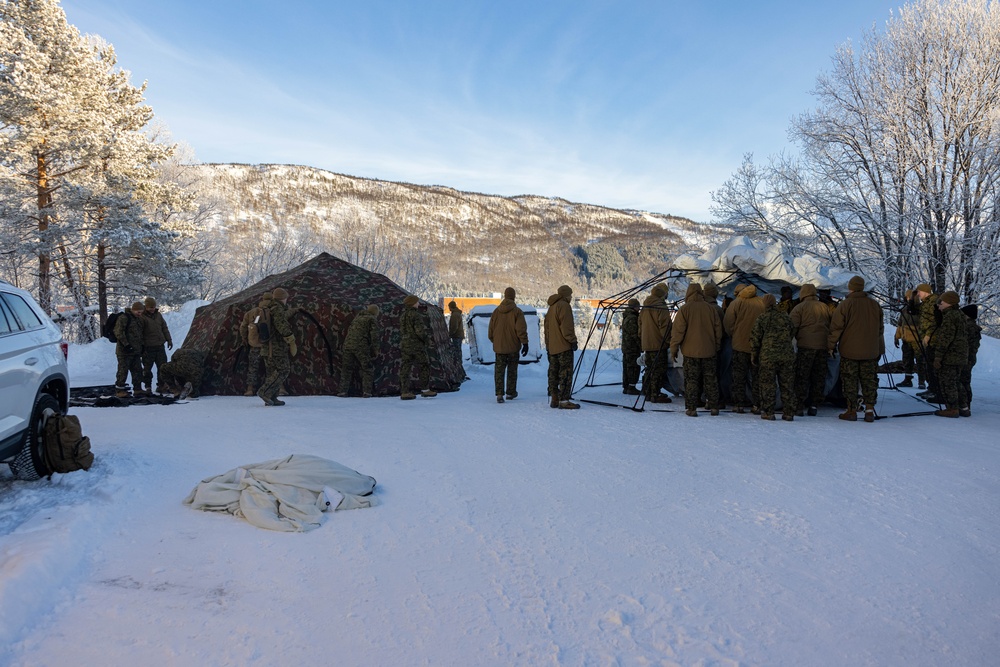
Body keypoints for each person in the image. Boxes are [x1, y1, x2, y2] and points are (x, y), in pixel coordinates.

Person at [828, 276, 884, 422]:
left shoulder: (845, 305)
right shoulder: (875, 305)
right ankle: (869, 410)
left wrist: (831, 345)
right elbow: (880, 329)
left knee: (850, 381)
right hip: (871, 351)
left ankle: (851, 410)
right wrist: (877, 348)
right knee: (869, 381)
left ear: (850, 287)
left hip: (850, 351)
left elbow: (836, 328)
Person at [669, 283, 722, 417]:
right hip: (709, 351)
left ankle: (692, 408)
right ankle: (714, 406)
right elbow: (718, 331)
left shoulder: (685, 309)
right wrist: (716, 346)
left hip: (690, 353)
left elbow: (678, 332)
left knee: (691, 380)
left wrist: (674, 349)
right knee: (711, 379)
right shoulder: (711, 309)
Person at [750, 294, 796, 421]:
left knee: (767, 384)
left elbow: (755, 338)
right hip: (786, 356)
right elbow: (793, 331)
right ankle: (789, 412)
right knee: (787, 385)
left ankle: (768, 412)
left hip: (768, 357)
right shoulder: (785, 317)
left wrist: (754, 354)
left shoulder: (762, 318)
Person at [790, 283, 831, 416]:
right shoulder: (824, 307)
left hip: (805, 347)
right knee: (818, 377)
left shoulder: (799, 308)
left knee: (802, 376)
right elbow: (831, 325)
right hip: (822, 347)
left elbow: (792, 327)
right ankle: (814, 405)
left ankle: (799, 406)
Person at [724, 283, 766, 413]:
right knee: (757, 377)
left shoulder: (736, 303)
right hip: (757, 347)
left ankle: (738, 404)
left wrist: (735, 335)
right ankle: (757, 404)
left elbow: (728, 323)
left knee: (738, 377)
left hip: (739, 345)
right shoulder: (761, 302)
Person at [931, 291, 969, 418]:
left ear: (948, 303)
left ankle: (952, 408)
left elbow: (945, 338)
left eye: (941, 302)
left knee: (948, 382)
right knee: (957, 381)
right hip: (960, 355)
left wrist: (938, 357)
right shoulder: (960, 315)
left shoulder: (950, 316)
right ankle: (964, 407)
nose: (939, 304)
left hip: (950, 356)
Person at [257, 287, 296, 406]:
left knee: (272, 372)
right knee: (283, 370)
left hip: (266, 347)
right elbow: (282, 327)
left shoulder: (266, 308)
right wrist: (291, 340)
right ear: (282, 298)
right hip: (276, 347)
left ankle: (272, 398)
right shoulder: (277, 309)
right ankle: (264, 392)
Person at [488, 287, 528, 403]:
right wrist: (525, 343)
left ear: (504, 296)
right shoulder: (517, 312)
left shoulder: (496, 312)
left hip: (499, 349)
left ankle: (499, 394)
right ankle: (510, 392)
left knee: (499, 371)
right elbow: (521, 329)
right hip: (513, 348)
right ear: (513, 296)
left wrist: (496, 342)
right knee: (512, 370)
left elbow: (490, 332)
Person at [544, 284, 578, 409]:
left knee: (553, 372)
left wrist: (548, 345)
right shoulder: (564, 306)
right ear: (566, 295)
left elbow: (546, 329)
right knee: (565, 373)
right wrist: (572, 341)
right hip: (564, 346)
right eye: (570, 294)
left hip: (552, 347)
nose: (571, 297)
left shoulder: (551, 308)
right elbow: (566, 327)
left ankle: (554, 397)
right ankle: (564, 401)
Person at [639, 283, 672, 404]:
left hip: (647, 343)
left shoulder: (645, 306)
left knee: (649, 368)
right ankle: (655, 393)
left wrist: (642, 340)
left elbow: (640, 325)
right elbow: (665, 326)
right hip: (658, 343)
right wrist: (669, 341)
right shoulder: (660, 306)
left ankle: (648, 392)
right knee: (659, 369)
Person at [400, 295, 436, 400]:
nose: (418, 304)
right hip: (416, 345)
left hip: (405, 344)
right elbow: (419, 331)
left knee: (405, 367)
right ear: (412, 303)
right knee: (424, 365)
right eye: (417, 302)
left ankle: (405, 391)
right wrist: (427, 340)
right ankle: (425, 390)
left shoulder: (403, 315)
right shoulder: (415, 315)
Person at [339, 304, 379, 398]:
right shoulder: (372, 319)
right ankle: (367, 392)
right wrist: (376, 349)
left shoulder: (357, 318)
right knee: (367, 368)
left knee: (346, 369)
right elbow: (375, 336)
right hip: (361, 346)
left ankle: (342, 391)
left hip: (347, 345)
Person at [239, 292, 271, 396]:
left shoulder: (251, 312)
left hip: (254, 345)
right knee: (273, 367)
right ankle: (279, 388)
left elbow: (243, 328)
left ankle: (250, 389)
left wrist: (245, 339)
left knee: (253, 367)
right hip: (270, 345)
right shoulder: (275, 311)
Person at [140, 297, 173, 394]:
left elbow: (164, 328)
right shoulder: (142, 317)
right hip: (148, 347)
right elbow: (139, 333)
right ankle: (148, 387)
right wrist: (141, 346)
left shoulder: (158, 315)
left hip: (159, 346)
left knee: (162, 368)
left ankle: (161, 385)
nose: (152, 309)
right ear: (146, 307)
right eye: (150, 307)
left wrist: (169, 340)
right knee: (147, 369)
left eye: (153, 307)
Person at [113, 302, 146, 398]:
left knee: (138, 370)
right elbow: (118, 332)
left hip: (136, 351)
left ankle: (138, 389)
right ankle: (119, 390)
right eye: (138, 312)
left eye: (141, 312)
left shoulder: (138, 320)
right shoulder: (124, 318)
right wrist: (126, 345)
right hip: (124, 351)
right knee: (123, 371)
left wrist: (142, 346)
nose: (139, 314)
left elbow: (140, 334)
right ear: (133, 309)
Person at [915, 283, 941, 400]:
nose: (918, 294)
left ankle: (936, 390)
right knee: (928, 365)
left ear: (925, 291)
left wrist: (928, 335)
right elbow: (914, 311)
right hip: (927, 338)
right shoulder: (924, 303)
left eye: (919, 291)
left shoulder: (933, 302)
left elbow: (934, 321)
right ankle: (931, 388)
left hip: (933, 339)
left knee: (932, 366)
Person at [893, 290, 922, 388]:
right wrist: (896, 337)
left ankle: (922, 382)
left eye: (908, 298)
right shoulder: (905, 309)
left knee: (920, 361)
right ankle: (907, 379)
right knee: (907, 360)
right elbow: (900, 324)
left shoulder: (920, 309)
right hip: (906, 340)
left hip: (918, 341)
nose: (907, 299)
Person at [960, 304, 982, 417]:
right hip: (968, 358)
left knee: (963, 381)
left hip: (966, 358)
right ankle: (966, 404)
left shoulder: (969, 328)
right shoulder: (971, 327)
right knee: (965, 381)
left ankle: (965, 405)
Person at [620, 298, 642, 395]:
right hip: (632, 347)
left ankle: (626, 386)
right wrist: (641, 345)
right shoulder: (633, 318)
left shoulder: (627, 316)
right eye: (638, 307)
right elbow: (635, 334)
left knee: (627, 367)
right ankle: (631, 387)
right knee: (633, 367)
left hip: (626, 347)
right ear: (635, 307)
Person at [447, 300, 464, 365]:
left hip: (456, 335)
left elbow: (454, 326)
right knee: (458, 350)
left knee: (456, 350)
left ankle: (457, 364)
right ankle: (459, 363)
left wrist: (450, 334)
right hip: (459, 335)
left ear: (451, 307)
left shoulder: (455, 315)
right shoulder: (457, 313)